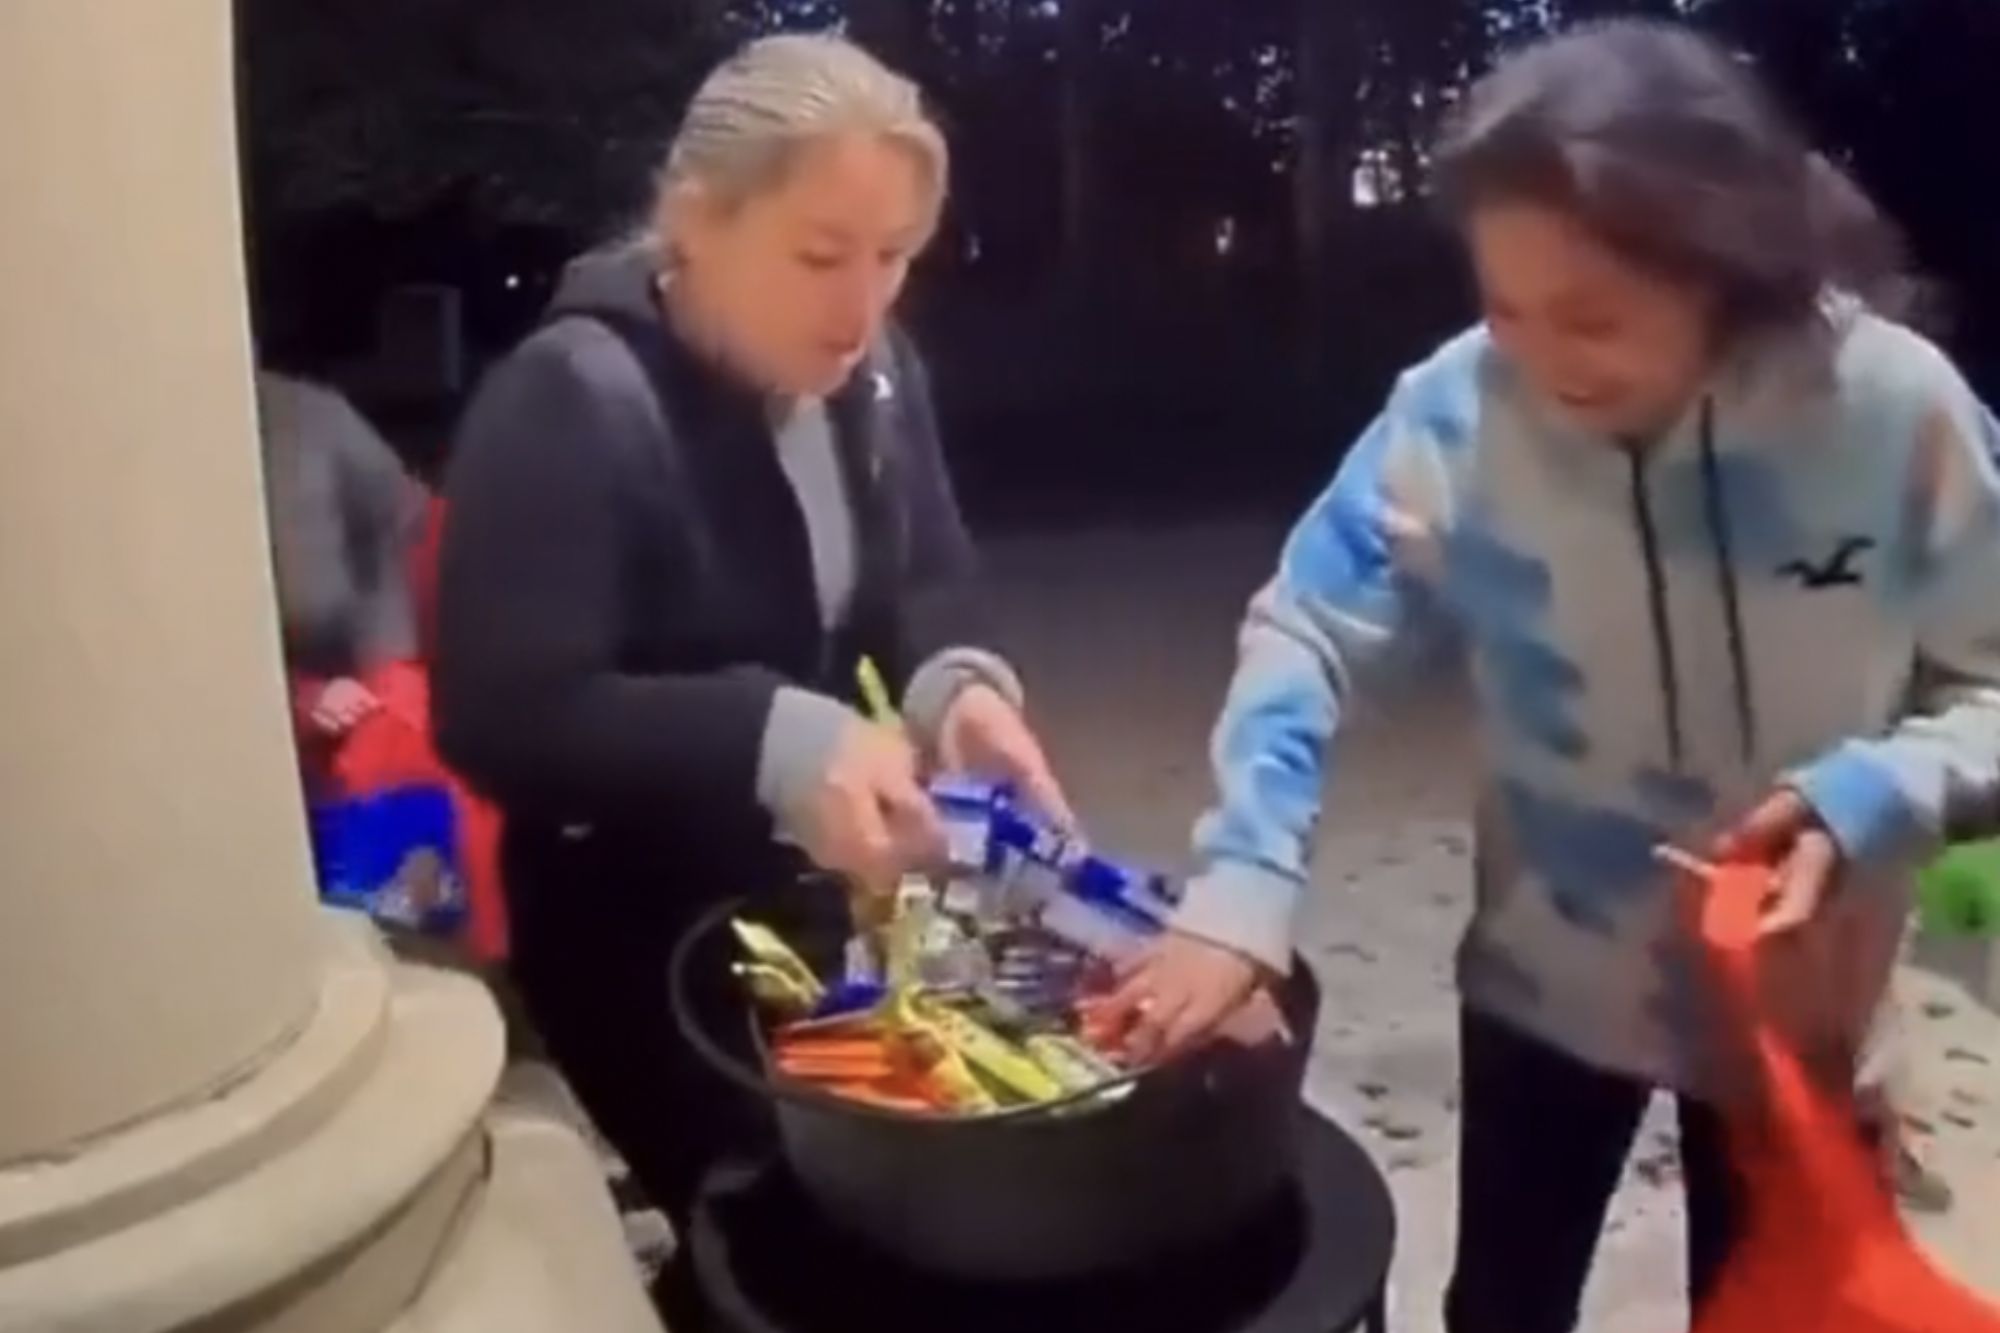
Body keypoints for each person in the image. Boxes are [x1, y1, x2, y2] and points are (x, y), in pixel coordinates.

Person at [1105, 21, 2000, 1332]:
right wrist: (1244, 876)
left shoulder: (1892, 414)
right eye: (1504, 307)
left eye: (1591, 316)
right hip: (1544, 993)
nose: (1537, 359)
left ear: (1726, 265)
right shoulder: (1461, 412)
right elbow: (1308, 624)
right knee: (1503, 1304)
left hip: (1798, 1015)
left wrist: (1875, 790)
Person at [432, 30, 1067, 1270]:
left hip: (817, 909)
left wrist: (962, 694)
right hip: (638, 948)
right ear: (692, 222)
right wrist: (775, 736)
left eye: (894, 259)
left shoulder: (876, 376)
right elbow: (504, 712)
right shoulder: (569, 401)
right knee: (776, 1242)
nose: (861, 306)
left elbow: (927, 578)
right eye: (820, 255)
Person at [255, 370, 427, 778]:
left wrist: (385, 664)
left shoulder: (309, 418)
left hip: (349, 685)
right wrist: (292, 703)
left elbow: (402, 517)